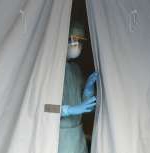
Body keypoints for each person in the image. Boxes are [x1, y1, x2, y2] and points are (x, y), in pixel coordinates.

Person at [58, 22, 99, 153]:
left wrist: (88, 90)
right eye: (74, 40)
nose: (77, 46)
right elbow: (44, 108)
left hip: (78, 137)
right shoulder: (49, 70)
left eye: (80, 41)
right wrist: (68, 110)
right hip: (60, 137)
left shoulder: (75, 69)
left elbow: (85, 107)